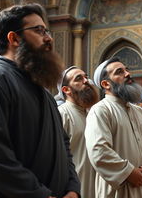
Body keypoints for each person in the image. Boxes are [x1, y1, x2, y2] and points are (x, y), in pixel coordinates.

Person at [0, 4, 80, 198]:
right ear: (14, 38)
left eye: (46, 30)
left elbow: (63, 144)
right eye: (39, 30)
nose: (48, 38)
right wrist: (39, 194)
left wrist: (73, 188)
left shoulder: (43, 91)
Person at [85, 57, 142, 198]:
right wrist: (128, 173)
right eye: (119, 72)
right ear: (106, 84)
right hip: (118, 189)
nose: (128, 74)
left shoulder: (140, 111)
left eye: (127, 70)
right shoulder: (100, 110)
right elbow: (99, 151)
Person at [56, 66, 99, 198]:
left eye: (86, 76)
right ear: (66, 90)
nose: (86, 80)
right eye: (79, 79)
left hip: (96, 186)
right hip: (74, 189)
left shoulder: (92, 113)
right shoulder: (62, 113)